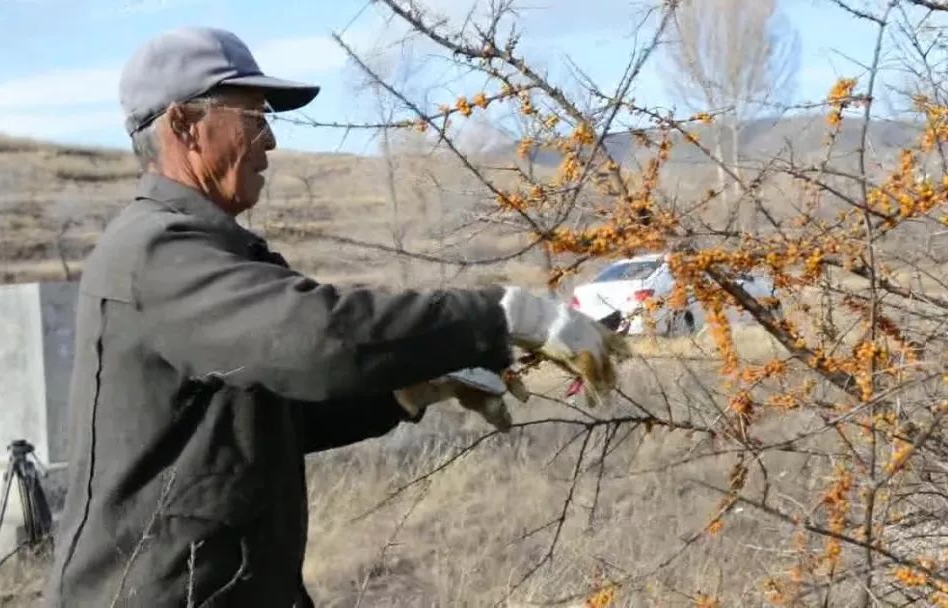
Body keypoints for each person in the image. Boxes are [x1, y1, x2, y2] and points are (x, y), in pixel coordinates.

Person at [43, 26, 622, 608]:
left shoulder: (205, 250)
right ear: (184, 126)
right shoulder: (160, 253)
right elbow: (320, 340)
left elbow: (270, 415)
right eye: (252, 115)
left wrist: (411, 391)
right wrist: (504, 315)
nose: (268, 138)